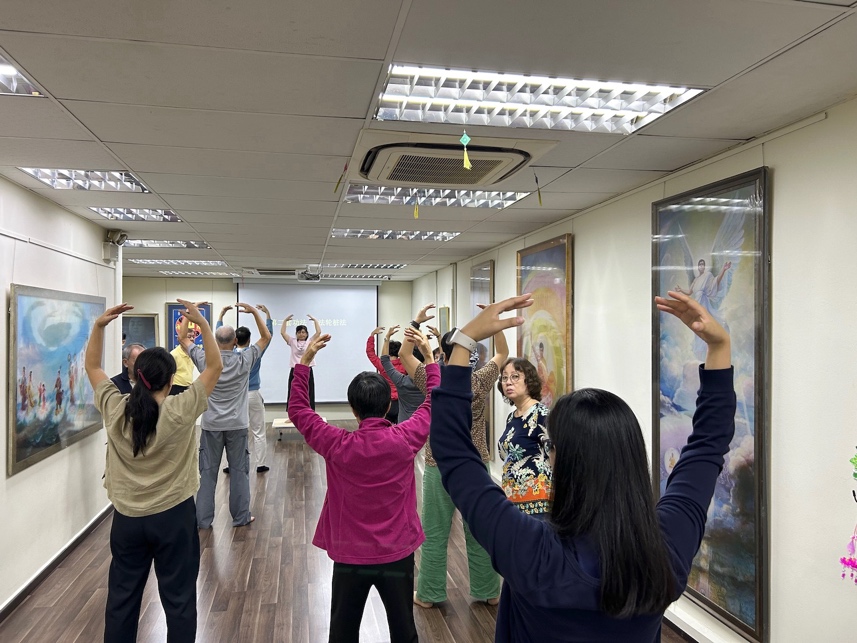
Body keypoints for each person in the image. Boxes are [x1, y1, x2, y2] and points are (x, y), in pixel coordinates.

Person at [430, 291, 736, 642]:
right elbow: (707, 448)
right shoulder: (666, 547)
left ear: (562, 459)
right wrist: (720, 348)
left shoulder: (530, 549)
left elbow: (454, 454)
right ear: (632, 456)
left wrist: (463, 342)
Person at [84, 299, 222, 643]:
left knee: (122, 599)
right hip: (174, 516)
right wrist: (203, 325)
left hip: (127, 519)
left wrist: (99, 327)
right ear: (171, 380)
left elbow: (92, 366)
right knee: (179, 600)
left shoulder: (115, 408)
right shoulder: (181, 409)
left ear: (135, 376)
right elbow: (215, 366)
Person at [288, 329, 439, 643]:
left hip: (350, 556)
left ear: (353, 410)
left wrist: (304, 364)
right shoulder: (405, 438)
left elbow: (298, 410)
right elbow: (434, 402)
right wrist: (430, 359)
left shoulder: (337, 443)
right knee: (404, 632)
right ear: (386, 407)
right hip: (397, 553)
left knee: (342, 634)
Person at [413, 325, 508, 609]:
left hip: (438, 462)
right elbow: (503, 353)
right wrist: (497, 324)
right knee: (479, 531)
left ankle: (428, 594)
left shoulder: (433, 380)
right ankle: (490, 591)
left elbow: (405, 354)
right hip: (475, 463)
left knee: (434, 532)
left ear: (444, 354)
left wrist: (415, 326)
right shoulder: (478, 380)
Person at [186, 303, 271, 529]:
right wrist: (255, 313)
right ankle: (241, 517)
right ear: (235, 341)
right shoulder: (244, 360)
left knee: (207, 474)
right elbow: (266, 337)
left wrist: (189, 315)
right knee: (239, 473)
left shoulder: (205, 360)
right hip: (237, 426)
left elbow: (183, 339)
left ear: (215, 342)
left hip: (211, 426)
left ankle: (203, 520)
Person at [218, 304, 274, 473]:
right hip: (253, 395)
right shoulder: (253, 353)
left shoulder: (228, 355)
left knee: (232, 431)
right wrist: (265, 314)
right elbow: (267, 335)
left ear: (235, 340)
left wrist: (221, 316)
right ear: (249, 340)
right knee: (258, 431)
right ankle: (260, 464)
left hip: (235, 396)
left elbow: (219, 338)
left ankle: (231, 465)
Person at [496, 357, 552, 517]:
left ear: (529, 381)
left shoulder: (542, 414)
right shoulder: (512, 417)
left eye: (515, 376)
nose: (508, 382)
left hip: (538, 505)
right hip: (512, 502)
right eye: (504, 378)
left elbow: (556, 457)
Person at [282, 314, 321, 410]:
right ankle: (292, 411)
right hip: (295, 370)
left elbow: (318, 332)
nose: (301, 334)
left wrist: (315, 321)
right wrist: (285, 321)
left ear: (307, 334)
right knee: (293, 391)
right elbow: (283, 333)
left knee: (309, 390)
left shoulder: (310, 341)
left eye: (303, 332)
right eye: (299, 332)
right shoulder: (292, 341)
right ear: (296, 334)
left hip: (307, 370)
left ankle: (310, 410)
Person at [366, 326, 402, 423]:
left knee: (385, 428)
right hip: (401, 402)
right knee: (401, 429)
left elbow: (370, 353)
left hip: (386, 401)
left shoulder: (383, 365)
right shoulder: (405, 365)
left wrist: (372, 336)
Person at [169, 319, 198, 396]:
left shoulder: (191, 353)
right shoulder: (173, 354)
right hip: (175, 388)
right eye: (189, 337)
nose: (192, 339)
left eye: (193, 336)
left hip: (188, 387)